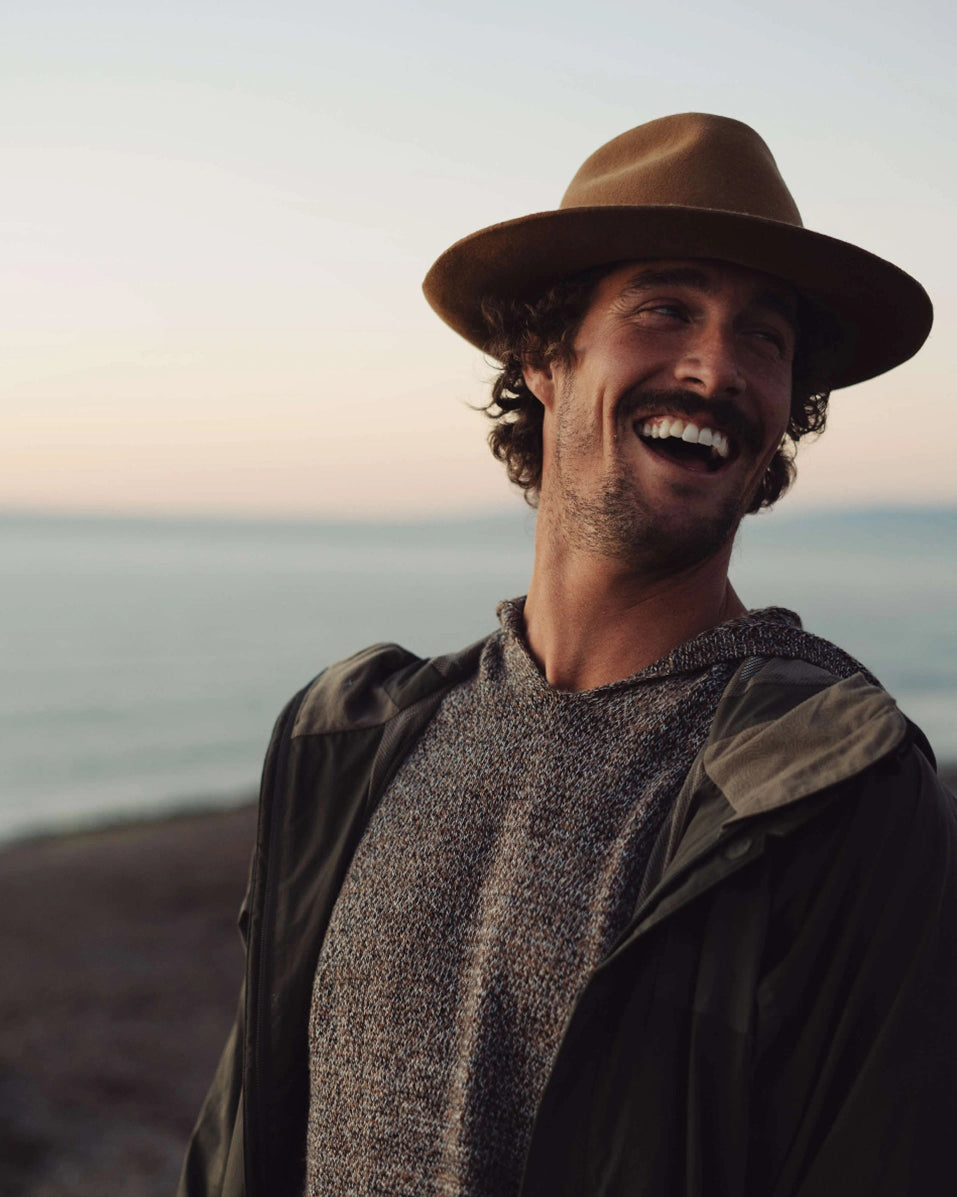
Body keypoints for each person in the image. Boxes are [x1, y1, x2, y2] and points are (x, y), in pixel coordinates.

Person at [178, 113, 957, 1197]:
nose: (715, 366)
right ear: (543, 355)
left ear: (789, 412)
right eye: (665, 309)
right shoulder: (345, 744)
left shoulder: (834, 786)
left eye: (765, 338)